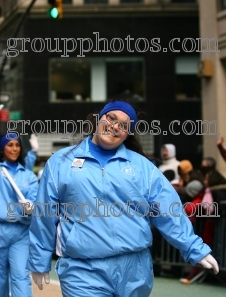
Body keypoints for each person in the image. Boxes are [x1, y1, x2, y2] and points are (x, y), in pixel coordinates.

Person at [27, 99, 219, 297]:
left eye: (124, 125)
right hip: (82, 269)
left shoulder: (143, 168)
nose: (115, 126)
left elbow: (168, 211)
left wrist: (194, 248)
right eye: (111, 118)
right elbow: (45, 213)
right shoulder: (61, 162)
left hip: (135, 270)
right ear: (99, 118)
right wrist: (39, 260)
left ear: (128, 133)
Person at [0, 133, 38, 297]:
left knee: (21, 277)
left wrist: (31, 205)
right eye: (10, 145)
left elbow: (34, 197)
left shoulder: (28, 175)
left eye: (17, 145)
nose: (14, 149)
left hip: (21, 233)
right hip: (0, 230)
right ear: (2, 149)